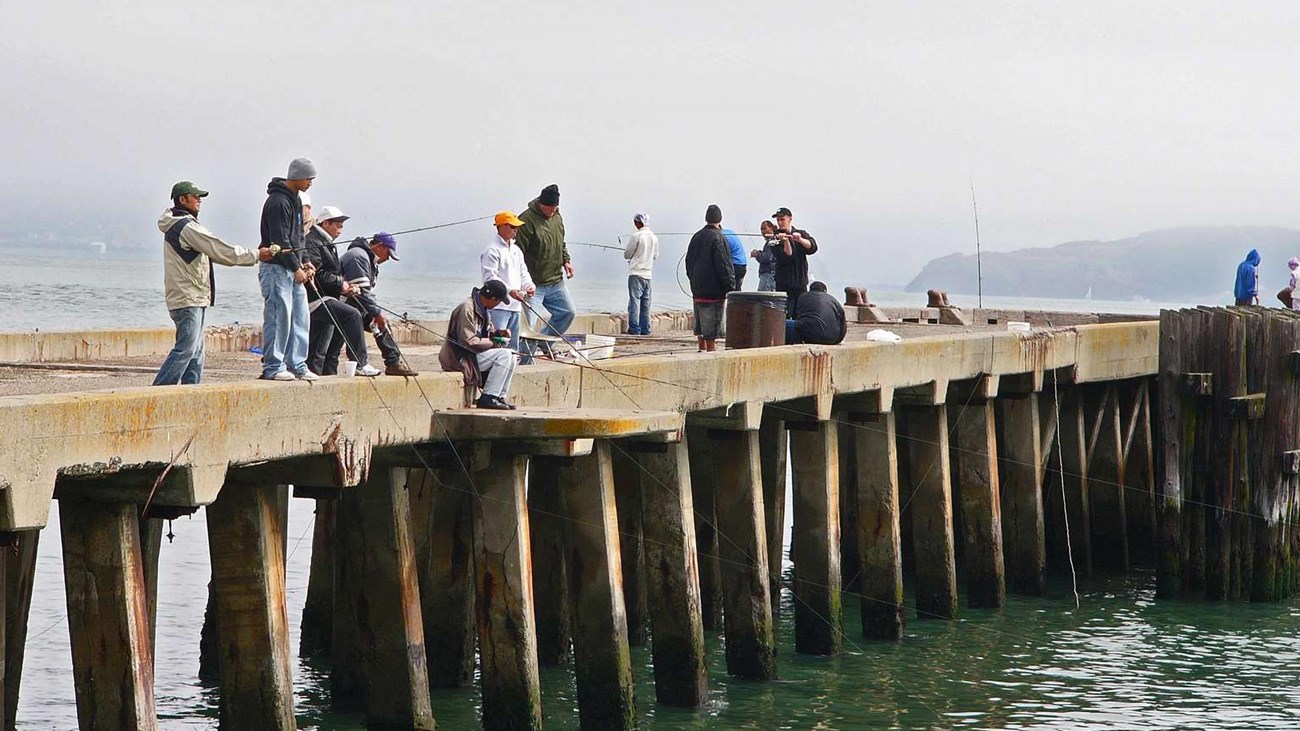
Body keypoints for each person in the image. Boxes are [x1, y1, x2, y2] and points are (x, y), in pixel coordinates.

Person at [153, 181, 272, 385]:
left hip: (193, 296)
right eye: (195, 196)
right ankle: (159, 391)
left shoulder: (181, 224)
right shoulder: (186, 227)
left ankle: (192, 391)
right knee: (187, 348)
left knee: (197, 351)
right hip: (187, 296)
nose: (200, 200)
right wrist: (256, 255)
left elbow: (214, 252)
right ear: (183, 199)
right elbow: (219, 250)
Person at [259, 157, 319, 381]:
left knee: (300, 317)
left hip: (293, 268)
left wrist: (305, 260)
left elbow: (298, 237)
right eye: (308, 178)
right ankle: (274, 366)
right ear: (296, 177)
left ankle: (298, 364)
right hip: (276, 269)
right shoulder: (277, 201)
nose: (311, 182)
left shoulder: (295, 199)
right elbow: (280, 239)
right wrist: (296, 268)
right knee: (279, 317)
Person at [303, 205, 379, 376]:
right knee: (352, 315)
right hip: (315, 299)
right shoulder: (312, 242)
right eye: (338, 225)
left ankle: (317, 376)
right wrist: (341, 284)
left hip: (328, 298)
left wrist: (345, 286)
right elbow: (317, 274)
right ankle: (360, 363)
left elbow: (329, 274)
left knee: (318, 346)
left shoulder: (326, 243)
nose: (341, 230)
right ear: (325, 223)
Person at [340, 232, 418, 376]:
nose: (388, 258)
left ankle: (393, 363)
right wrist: (376, 313)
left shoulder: (370, 261)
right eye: (388, 253)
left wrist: (377, 314)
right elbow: (363, 290)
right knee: (372, 319)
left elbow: (366, 293)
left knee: (381, 323)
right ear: (379, 246)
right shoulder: (358, 256)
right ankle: (359, 364)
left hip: (355, 305)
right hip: (342, 304)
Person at [440, 280, 518, 410]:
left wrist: (498, 333)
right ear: (492, 298)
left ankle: (499, 396)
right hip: (460, 359)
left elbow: (486, 333)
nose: (498, 304)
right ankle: (488, 397)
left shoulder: (483, 308)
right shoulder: (467, 308)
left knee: (512, 355)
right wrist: (494, 342)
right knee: (504, 355)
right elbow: (469, 341)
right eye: (499, 301)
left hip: (473, 356)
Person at [517, 183, 575, 337]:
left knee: (568, 312)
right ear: (541, 204)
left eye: (555, 207)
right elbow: (517, 252)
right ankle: (525, 359)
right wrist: (521, 283)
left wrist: (566, 261)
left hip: (555, 281)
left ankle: (545, 340)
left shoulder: (557, 217)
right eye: (549, 208)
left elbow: (561, 242)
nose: (552, 211)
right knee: (527, 327)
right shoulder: (526, 220)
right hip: (533, 284)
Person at [480, 210, 536, 355]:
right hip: (499, 307)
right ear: (502, 226)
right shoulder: (492, 250)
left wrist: (529, 286)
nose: (516, 230)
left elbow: (523, 272)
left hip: (516, 307)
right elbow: (490, 278)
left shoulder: (516, 250)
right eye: (512, 227)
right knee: (498, 345)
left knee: (512, 348)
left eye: (516, 227)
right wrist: (510, 290)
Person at [685, 204, 736, 352]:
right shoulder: (719, 238)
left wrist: (693, 281)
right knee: (711, 331)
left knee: (701, 327)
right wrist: (730, 287)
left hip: (697, 289)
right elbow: (724, 265)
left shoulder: (696, 236)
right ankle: (710, 353)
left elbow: (688, 262)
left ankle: (701, 350)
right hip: (714, 293)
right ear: (720, 219)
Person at [771, 206, 819, 316]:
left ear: (790, 219)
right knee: (784, 316)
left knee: (800, 314)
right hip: (783, 285)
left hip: (800, 284)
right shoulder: (775, 239)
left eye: (782, 219)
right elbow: (787, 256)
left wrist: (800, 239)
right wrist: (786, 241)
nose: (780, 222)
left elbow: (813, 247)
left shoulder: (800, 233)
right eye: (778, 220)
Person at [623, 212, 659, 335]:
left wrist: (633, 257)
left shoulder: (636, 236)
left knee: (634, 301)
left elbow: (627, 254)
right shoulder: (654, 237)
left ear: (638, 223)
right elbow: (655, 256)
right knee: (646, 303)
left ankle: (634, 328)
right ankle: (646, 329)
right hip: (648, 274)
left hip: (635, 273)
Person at [750, 220, 780, 292]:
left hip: (768, 275)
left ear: (771, 228)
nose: (762, 231)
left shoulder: (772, 241)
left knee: (763, 298)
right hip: (770, 275)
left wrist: (757, 254)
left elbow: (767, 257)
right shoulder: (773, 241)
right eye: (761, 229)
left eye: (764, 228)